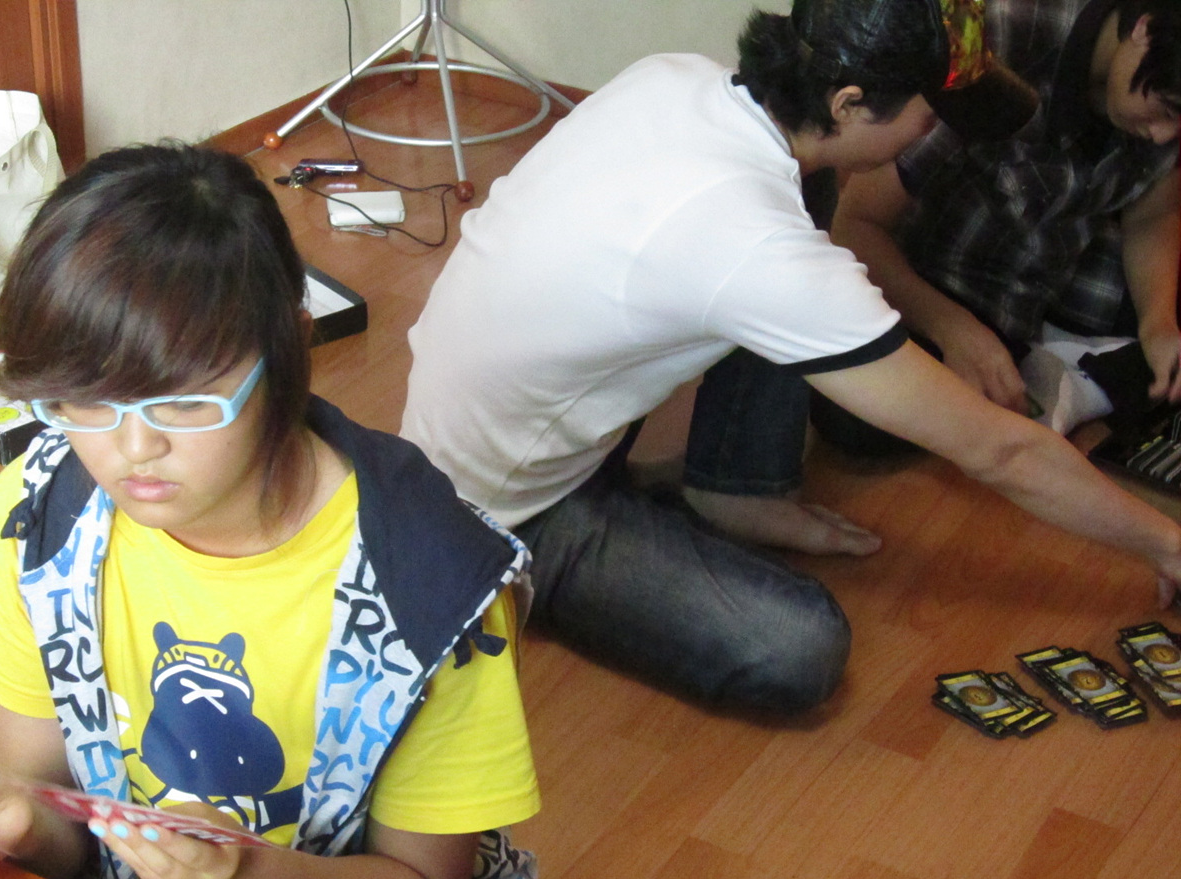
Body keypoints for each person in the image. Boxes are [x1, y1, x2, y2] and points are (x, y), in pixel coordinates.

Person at [400, 0, 1181, 715]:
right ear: (848, 104)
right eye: (928, 117)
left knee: (808, 200)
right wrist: (1167, 542)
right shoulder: (755, 246)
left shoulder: (676, 77)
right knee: (800, 647)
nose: (930, 137)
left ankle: (734, 490)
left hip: (474, 411)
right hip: (496, 514)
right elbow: (1000, 450)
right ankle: (568, 553)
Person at [0, 143, 547, 879]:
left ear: (290, 348)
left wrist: (242, 871)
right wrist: (25, 820)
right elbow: (59, 815)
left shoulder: (434, 589)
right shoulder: (38, 521)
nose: (133, 447)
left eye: (184, 401)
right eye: (85, 398)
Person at [830, 0, 1180, 441]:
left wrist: (1158, 323)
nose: (1165, 135)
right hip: (937, 279)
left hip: (1054, 272)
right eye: (1168, 109)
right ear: (1144, 29)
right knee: (861, 415)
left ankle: (1068, 371)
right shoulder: (991, 36)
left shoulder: (1159, 86)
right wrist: (954, 329)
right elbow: (856, 226)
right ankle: (1072, 371)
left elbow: (1155, 213)